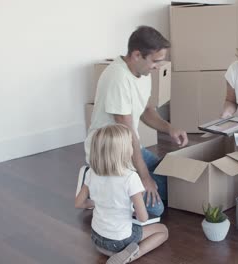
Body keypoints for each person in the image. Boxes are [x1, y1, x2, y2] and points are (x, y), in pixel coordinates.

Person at [78, 26, 189, 216]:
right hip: (109, 153)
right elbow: (127, 134)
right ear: (137, 55)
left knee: (172, 186)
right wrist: (144, 178)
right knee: (156, 208)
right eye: (155, 61)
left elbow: (146, 110)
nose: (157, 67)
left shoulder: (143, 72)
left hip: (129, 148)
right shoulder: (117, 78)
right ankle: (95, 180)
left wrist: (169, 128)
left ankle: (102, 184)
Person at [75, 124, 169, 264]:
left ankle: (121, 253)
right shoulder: (130, 178)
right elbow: (143, 218)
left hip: (97, 240)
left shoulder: (92, 173)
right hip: (118, 243)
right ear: (124, 151)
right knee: (162, 231)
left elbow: (79, 203)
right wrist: (135, 211)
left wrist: (99, 203)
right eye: (131, 145)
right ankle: (131, 255)